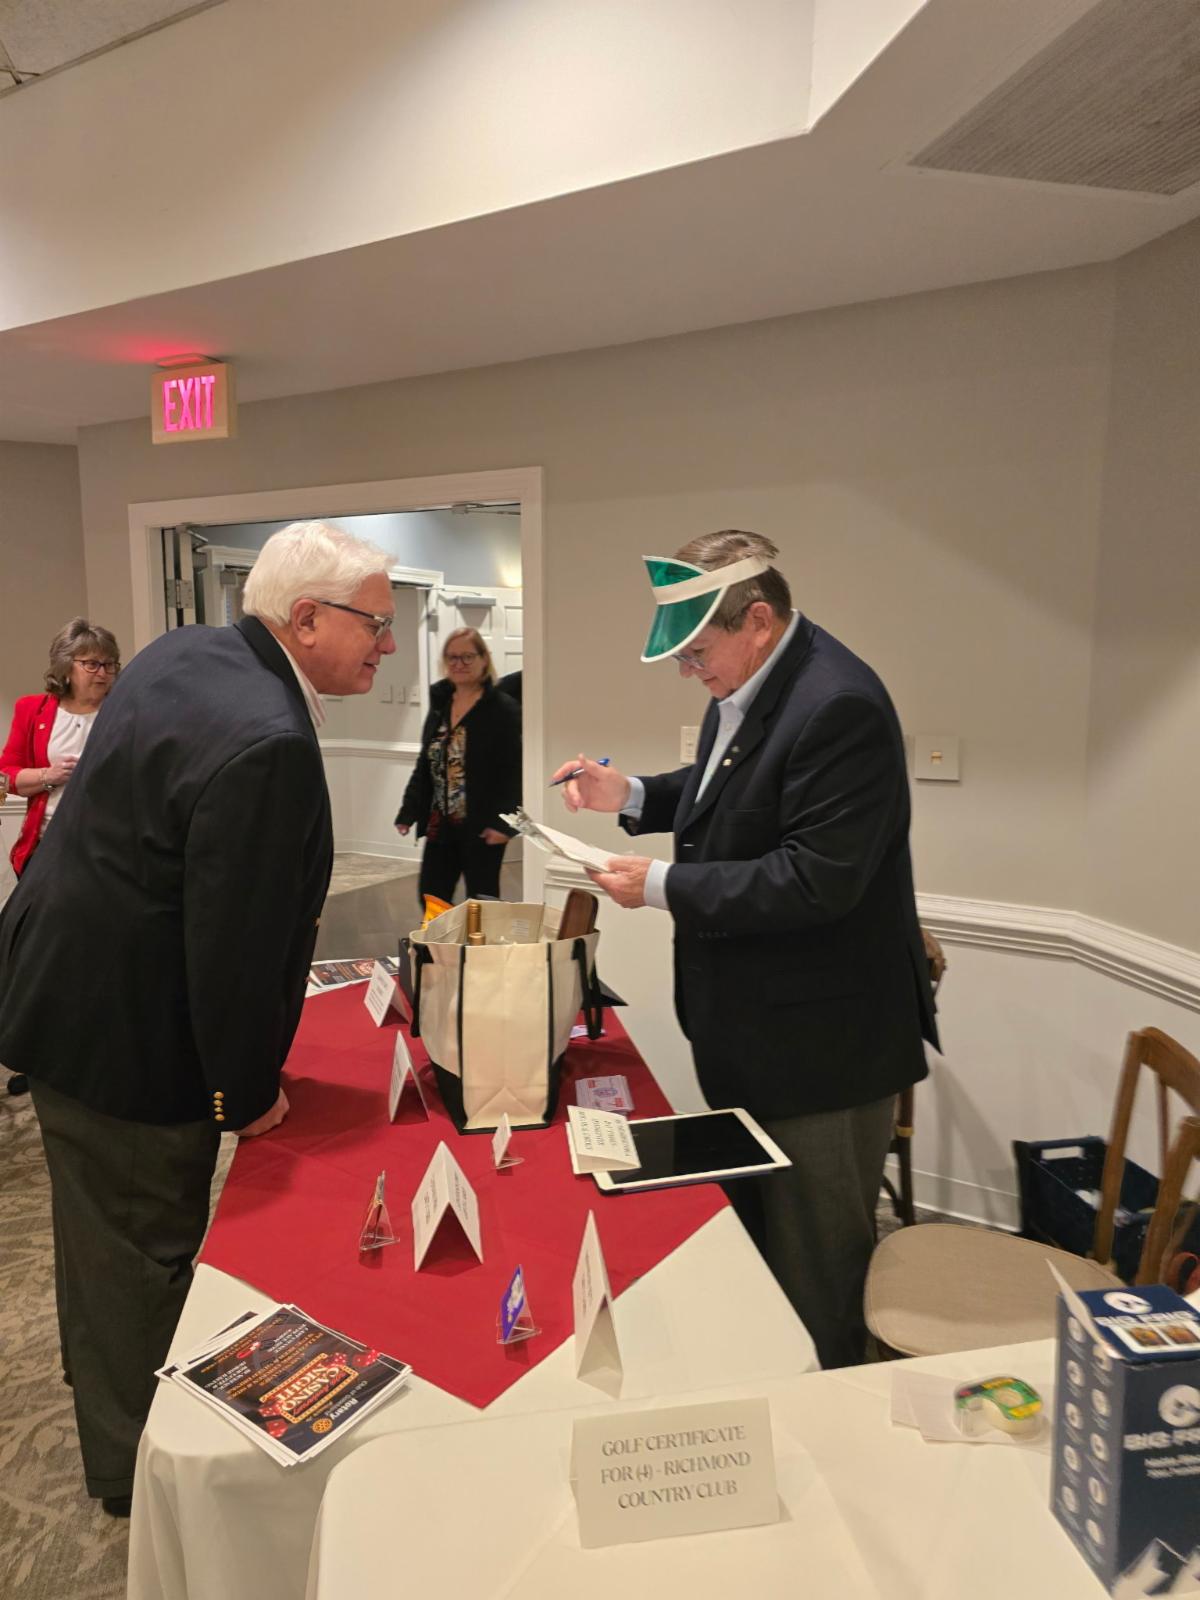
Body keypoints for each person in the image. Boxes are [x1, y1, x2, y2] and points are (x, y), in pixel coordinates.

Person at [0, 520, 395, 1515]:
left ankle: (109, 1409)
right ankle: (139, 1479)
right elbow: (235, 943)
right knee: (140, 1255)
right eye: (375, 625)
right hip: (124, 1033)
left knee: (101, 1245)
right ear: (306, 619)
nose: (388, 644)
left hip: (64, 994)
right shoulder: (268, 737)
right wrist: (243, 1092)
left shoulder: (188, 650)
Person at [552, 530, 937, 1369]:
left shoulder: (838, 704)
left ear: (757, 620)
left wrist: (660, 884)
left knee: (818, 1265)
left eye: (697, 653)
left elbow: (815, 880)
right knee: (760, 1244)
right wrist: (633, 792)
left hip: (821, 1050)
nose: (689, 671)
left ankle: (828, 1410)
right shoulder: (760, 680)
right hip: (753, 1030)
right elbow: (731, 790)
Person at [0, 618, 121, 1096]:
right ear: (66, 666)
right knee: (46, 961)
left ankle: (96, 1054)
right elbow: (8, 774)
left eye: (109, 664)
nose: (103, 672)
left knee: (99, 959)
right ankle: (43, 1058)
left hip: (108, 854)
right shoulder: (33, 709)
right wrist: (48, 775)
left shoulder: (124, 711)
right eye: (92, 663)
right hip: (45, 852)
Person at [395, 626, 521, 902]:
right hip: (440, 824)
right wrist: (409, 810)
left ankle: (476, 935)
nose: (459, 664)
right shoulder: (440, 704)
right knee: (431, 897)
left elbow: (515, 772)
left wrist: (506, 825)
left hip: (482, 826)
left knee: (482, 902)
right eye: (452, 657)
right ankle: (443, 935)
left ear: (483, 659)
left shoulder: (503, 709)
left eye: (467, 657)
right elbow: (426, 763)